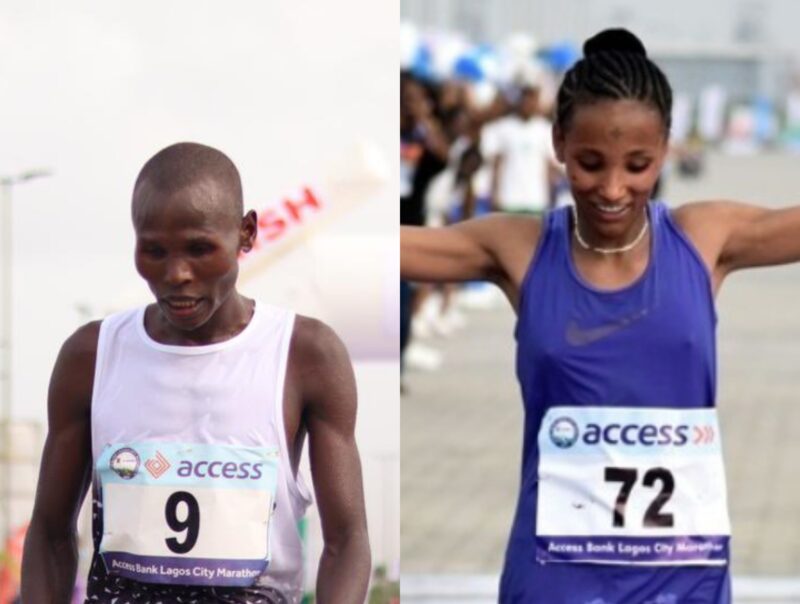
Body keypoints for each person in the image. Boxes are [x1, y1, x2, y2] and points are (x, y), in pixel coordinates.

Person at [402, 28, 800, 604]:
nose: (613, 189)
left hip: (684, 577)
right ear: (559, 142)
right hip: (555, 574)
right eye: (590, 164)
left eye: (638, 165)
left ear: (665, 148)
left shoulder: (702, 239)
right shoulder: (520, 248)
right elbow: (377, 248)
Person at [21, 142, 370, 604]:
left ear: (246, 233)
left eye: (199, 249)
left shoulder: (306, 354)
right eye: (154, 251)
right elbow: (49, 532)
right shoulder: (91, 356)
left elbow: (347, 541)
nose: (176, 274)